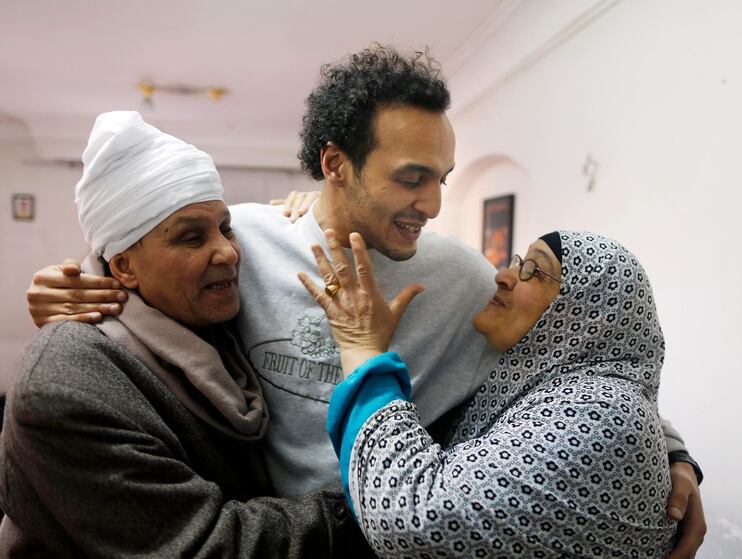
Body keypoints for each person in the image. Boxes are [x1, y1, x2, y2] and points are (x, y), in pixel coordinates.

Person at [24, 46, 706, 555]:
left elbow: (572, 358)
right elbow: (137, 282)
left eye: (442, 178)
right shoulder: (243, 246)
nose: (433, 204)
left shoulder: (463, 276)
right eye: (412, 178)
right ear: (335, 164)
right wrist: (68, 291)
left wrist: (669, 453)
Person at [0, 112, 368, 557]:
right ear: (123, 267)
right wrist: (382, 502)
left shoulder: (213, 319)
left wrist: (323, 212)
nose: (228, 251)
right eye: (191, 238)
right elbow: (204, 546)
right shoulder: (67, 382)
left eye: (225, 227)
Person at [302, 229, 681, 557]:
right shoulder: (543, 383)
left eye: (534, 269)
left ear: (587, 315)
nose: (502, 276)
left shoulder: (605, 412)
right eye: (518, 262)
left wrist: (363, 349)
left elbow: (413, 520)